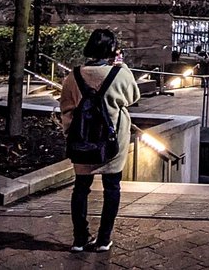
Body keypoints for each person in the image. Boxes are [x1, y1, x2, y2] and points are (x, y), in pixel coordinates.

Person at [59, 28, 141, 253]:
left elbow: (66, 107)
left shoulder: (74, 76)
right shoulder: (119, 73)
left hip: (82, 139)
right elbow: (133, 96)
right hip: (113, 140)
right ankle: (104, 239)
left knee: (80, 187)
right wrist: (122, 66)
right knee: (112, 186)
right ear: (112, 49)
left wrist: (70, 134)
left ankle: (79, 239)